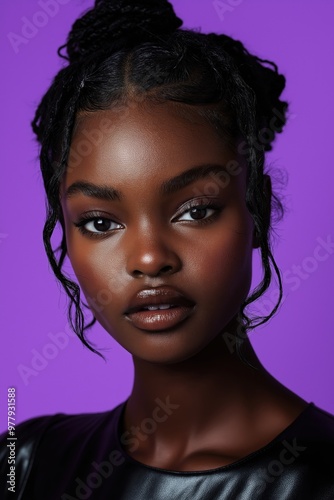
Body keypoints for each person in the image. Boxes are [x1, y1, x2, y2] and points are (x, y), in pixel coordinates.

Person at [1, 0, 333, 498]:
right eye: (99, 222)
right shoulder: (22, 461)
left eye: (195, 210)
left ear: (257, 209)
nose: (150, 259)